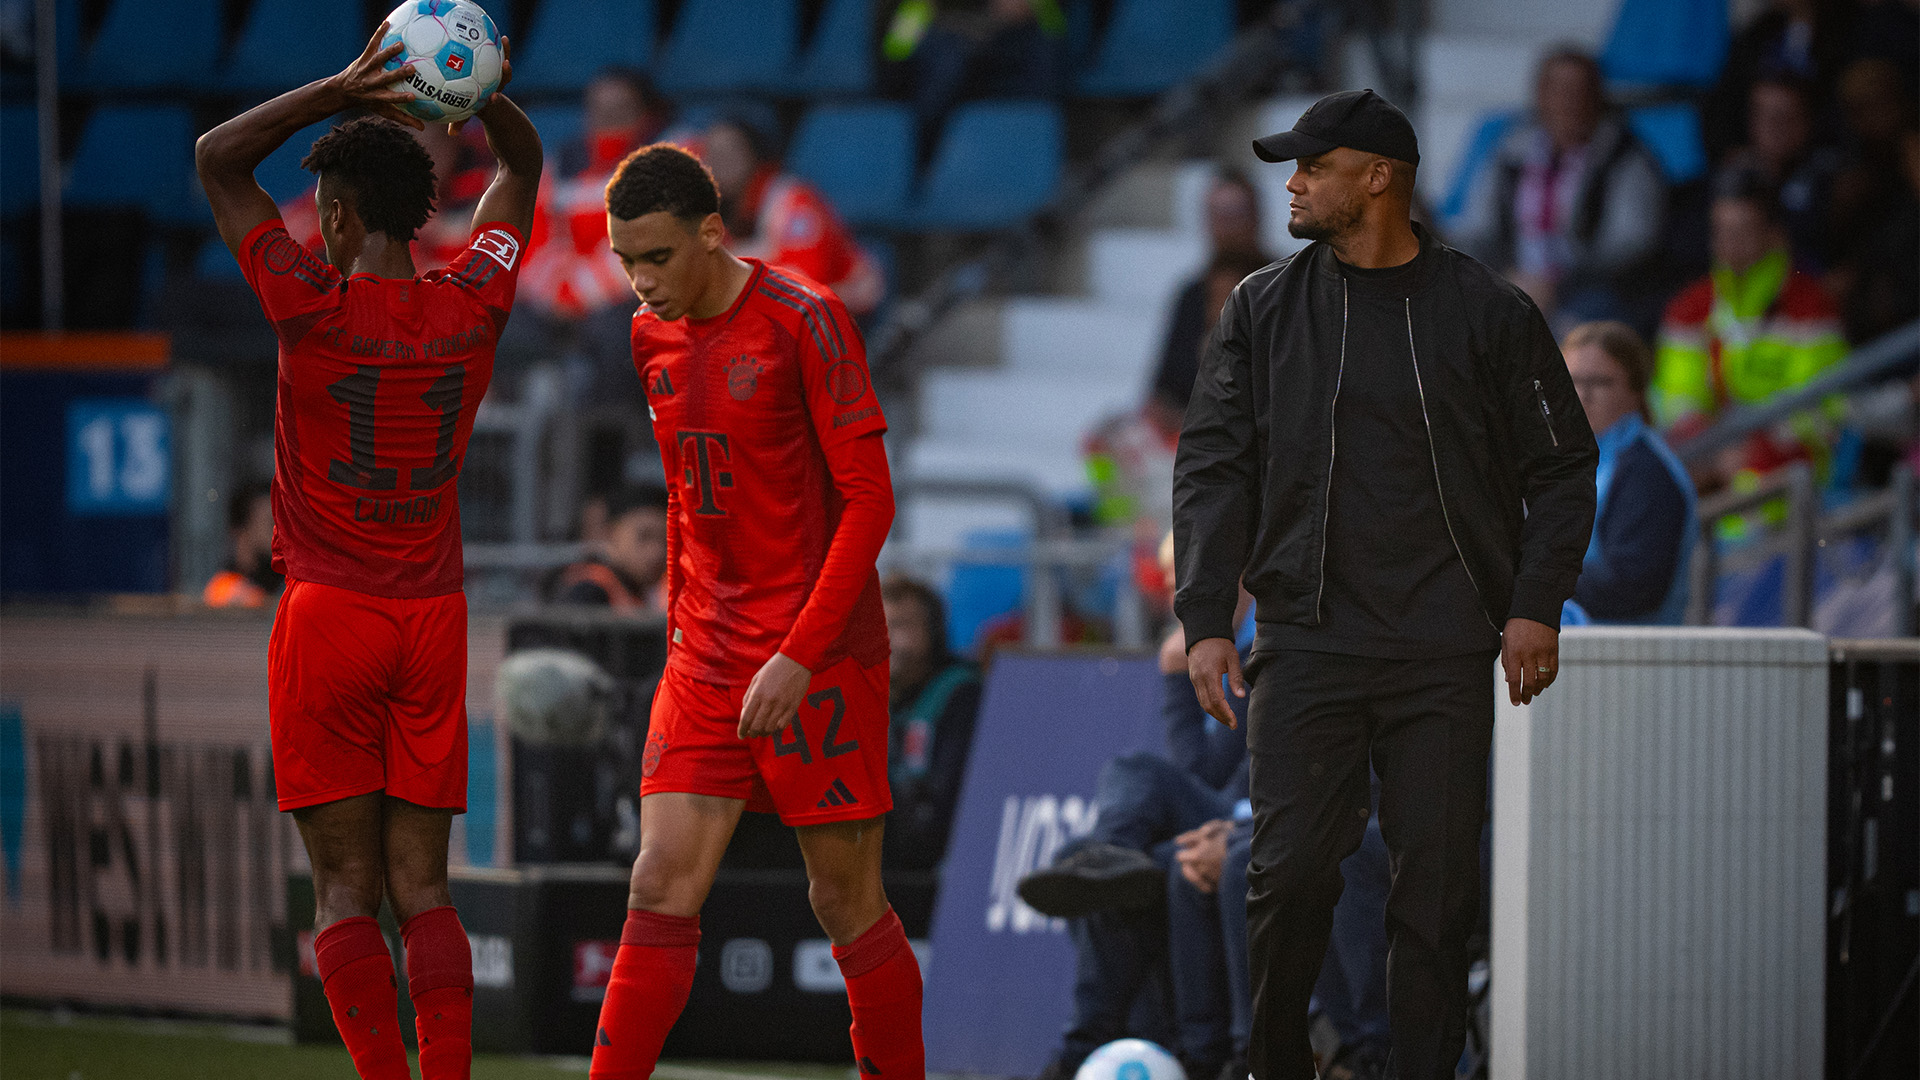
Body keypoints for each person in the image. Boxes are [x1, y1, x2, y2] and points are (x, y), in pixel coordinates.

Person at [1176, 89, 1596, 1079]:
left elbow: (1563, 468)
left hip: (1447, 643)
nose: (1292, 183)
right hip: (1307, 637)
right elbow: (1211, 466)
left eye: (1311, 167)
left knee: (1436, 898)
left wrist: (1534, 603)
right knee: (1286, 877)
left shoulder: (1490, 312)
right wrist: (1203, 615)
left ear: (1378, 178)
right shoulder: (1261, 307)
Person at [195, 24, 540, 1080]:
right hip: (432, 617)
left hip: (331, 615)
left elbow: (217, 155)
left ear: (337, 215)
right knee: (425, 888)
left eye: (320, 207)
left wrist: (342, 86)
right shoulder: (475, 300)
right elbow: (522, 168)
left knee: (344, 891)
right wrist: (477, 96)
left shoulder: (308, 303)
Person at [588, 144, 920, 1079]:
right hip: (706, 658)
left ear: (710, 232)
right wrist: (682, 632)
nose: (642, 282)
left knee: (843, 899)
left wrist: (799, 656)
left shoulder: (804, 321)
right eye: (625, 262)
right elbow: (688, 500)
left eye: (656, 257)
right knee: (656, 883)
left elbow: (871, 503)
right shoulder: (648, 337)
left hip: (819, 658)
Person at [1652, 168, 1848, 492]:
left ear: (1775, 234)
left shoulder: (1811, 306)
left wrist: (1752, 446)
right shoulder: (1689, 309)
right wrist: (1718, 448)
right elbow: (1676, 402)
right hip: (1713, 471)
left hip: (1797, 484)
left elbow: (1821, 410)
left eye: (1743, 232)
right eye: (1721, 232)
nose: (1729, 246)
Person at [1451, 48, 1667, 333]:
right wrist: (1508, 276)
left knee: (1575, 336)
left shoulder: (1625, 157)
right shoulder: (1510, 151)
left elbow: (1633, 242)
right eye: (1558, 90)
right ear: (1540, 95)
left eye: (1578, 91)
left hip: (1591, 288)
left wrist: (1559, 284)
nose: (1569, 102)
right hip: (1513, 278)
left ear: (1597, 97)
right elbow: (1478, 226)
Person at [1560, 322, 1698, 626]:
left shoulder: (1647, 471)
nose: (1583, 395)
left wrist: (1534, 576)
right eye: (1572, 381)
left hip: (1632, 659)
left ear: (1636, 392)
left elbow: (1629, 587)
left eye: (1599, 383)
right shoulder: (1573, 457)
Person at [701, 111, 886, 317]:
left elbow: (804, 283)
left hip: (843, 310)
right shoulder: (715, 208)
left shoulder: (792, 202)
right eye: (711, 153)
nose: (718, 163)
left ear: (754, 154)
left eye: (729, 152)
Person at [1146, 169, 1275, 430]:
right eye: (1218, 214)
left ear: (1255, 217)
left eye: (1234, 213)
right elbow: (1162, 390)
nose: (1226, 225)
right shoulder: (1192, 295)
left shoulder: (1283, 286)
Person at [879, 575, 982, 871]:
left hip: (934, 867)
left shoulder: (962, 693)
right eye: (878, 625)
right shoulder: (867, 696)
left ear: (933, 632)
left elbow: (947, 808)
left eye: (899, 626)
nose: (886, 637)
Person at [1722, 75, 1843, 269]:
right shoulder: (1729, 177)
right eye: (1763, 114)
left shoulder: (1836, 181)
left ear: (1807, 120)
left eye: (1783, 117)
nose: (1772, 128)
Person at [549, 483, 670, 611]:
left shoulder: (632, 589)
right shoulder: (589, 591)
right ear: (610, 533)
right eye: (644, 536)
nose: (657, 552)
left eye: (665, 540)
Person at [202, 480, 282, 608]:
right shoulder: (225, 589)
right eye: (270, 524)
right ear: (241, 531)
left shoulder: (281, 584)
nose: (279, 534)